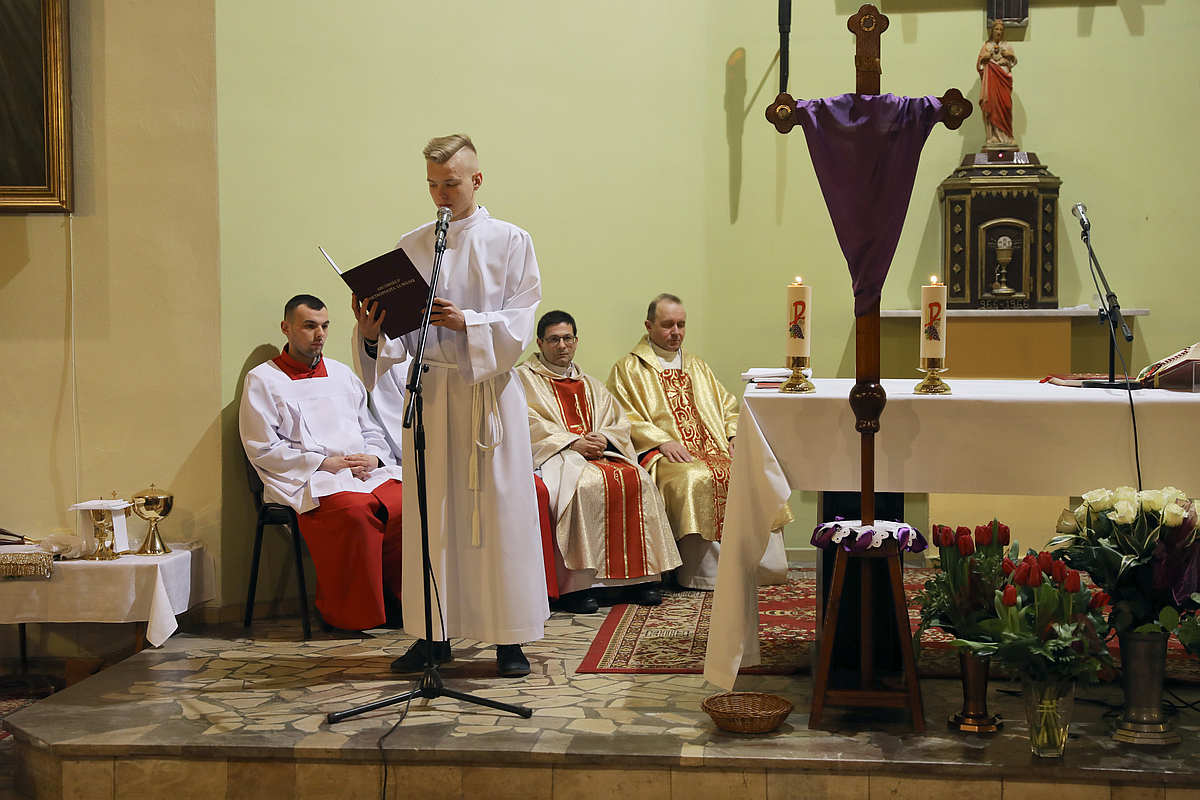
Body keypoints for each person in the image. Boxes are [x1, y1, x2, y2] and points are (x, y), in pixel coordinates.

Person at [352, 134, 547, 678]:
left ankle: (509, 637)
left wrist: (470, 323)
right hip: (433, 394)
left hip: (488, 396)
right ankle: (431, 635)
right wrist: (371, 333)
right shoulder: (412, 245)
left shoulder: (511, 240)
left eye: (452, 183)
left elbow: (521, 320)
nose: (441, 194)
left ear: (476, 180)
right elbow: (397, 341)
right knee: (431, 515)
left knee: (499, 513)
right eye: (433, 185)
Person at [240, 294, 404, 632]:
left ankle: (401, 603)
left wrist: (373, 457)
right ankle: (349, 614)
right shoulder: (263, 380)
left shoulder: (343, 374)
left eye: (325, 326)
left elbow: (370, 429)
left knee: (409, 503)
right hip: (310, 479)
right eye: (310, 326)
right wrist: (323, 463)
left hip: (361, 474)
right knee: (354, 513)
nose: (320, 334)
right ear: (286, 328)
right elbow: (262, 448)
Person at [607, 294, 791, 590]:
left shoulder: (697, 366)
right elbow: (621, 416)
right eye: (667, 325)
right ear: (649, 326)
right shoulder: (628, 369)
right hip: (667, 456)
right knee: (694, 478)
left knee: (755, 471)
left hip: (713, 448)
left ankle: (763, 568)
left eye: (681, 325)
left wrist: (733, 435)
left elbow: (727, 405)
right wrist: (661, 441)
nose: (675, 332)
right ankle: (704, 574)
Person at [517, 310, 681, 613]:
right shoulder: (522, 381)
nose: (562, 345)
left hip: (600, 453)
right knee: (582, 486)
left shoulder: (590, 383)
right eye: (554, 339)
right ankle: (578, 586)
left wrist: (605, 438)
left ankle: (641, 580)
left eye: (567, 338)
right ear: (539, 343)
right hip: (555, 456)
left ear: (576, 341)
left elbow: (619, 422)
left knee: (639, 479)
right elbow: (525, 423)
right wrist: (571, 442)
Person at [977, 19, 1017, 147]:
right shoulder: (986, 46)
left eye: (1001, 30)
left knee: (1006, 106)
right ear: (992, 31)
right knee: (992, 106)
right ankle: (992, 136)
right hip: (991, 80)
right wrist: (985, 58)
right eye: (996, 29)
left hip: (1004, 79)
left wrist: (1009, 54)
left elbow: (1014, 61)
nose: (998, 32)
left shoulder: (1007, 46)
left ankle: (1007, 136)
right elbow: (979, 65)